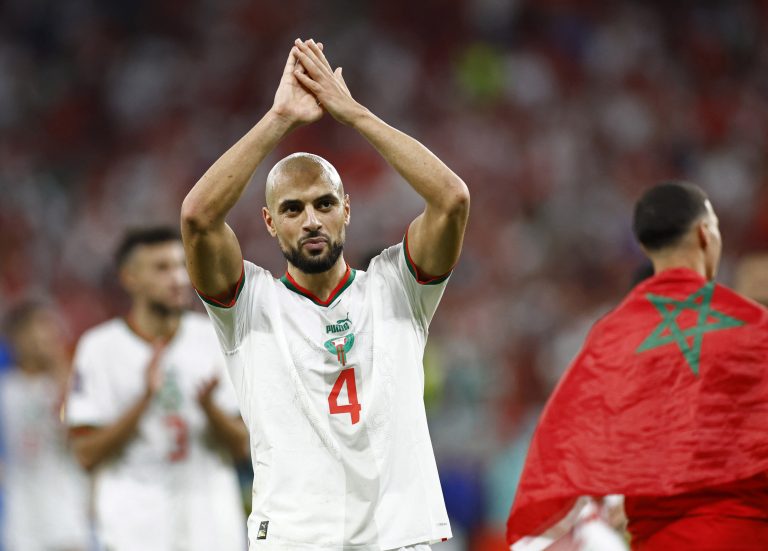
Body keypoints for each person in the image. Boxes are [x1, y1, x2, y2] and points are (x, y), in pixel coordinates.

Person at [180, 39, 470, 550]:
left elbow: (451, 199)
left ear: (347, 209)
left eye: (324, 203)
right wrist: (279, 118)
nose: (311, 220)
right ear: (269, 222)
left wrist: (353, 113)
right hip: (295, 539)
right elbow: (198, 218)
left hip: (400, 537)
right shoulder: (248, 305)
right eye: (292, 209)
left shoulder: (396, 287)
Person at [506, 182, 768, 550]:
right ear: (705, 235)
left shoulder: (611, 336)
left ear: (645, 247)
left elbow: (568, 442)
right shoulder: (755, 325)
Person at [65, 227, 248, 551]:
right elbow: (85, 454)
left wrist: (208, 407)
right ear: (130, 278)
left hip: (212, 529)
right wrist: (144, 400)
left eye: (181, 266)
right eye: (162, 268)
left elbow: (243, 448)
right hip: (136, 533)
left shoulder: (214, 337)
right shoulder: (98, 349)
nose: (178, 278)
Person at [0, 301, 91, 551]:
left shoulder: (70, 384)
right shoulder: (7, 389)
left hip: (67, 516)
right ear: (15, 336)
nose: (44, 337)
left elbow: (75, 432)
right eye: (36, 328)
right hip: (21, 520)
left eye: (49, 329)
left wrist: (58, 367)